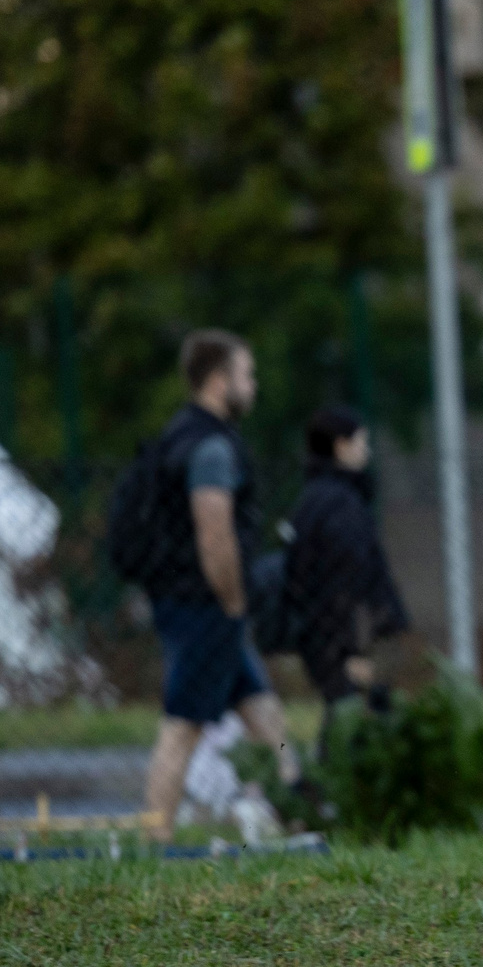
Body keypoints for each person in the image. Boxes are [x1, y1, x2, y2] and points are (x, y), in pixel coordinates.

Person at [139, 329, 302, 842]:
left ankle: (300, 812)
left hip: (199, 604)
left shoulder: (180, 435)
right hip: (205, 607)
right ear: (218, 380)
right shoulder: (209, 445)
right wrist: (232, 602)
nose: (253, 386)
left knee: (264, 712)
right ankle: (154, 840)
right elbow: (214, 531)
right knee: (183, 726)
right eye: (246, 375)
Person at [284, 406, 410, 717]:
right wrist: (348, 652)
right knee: (359, 723)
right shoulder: (342, 505)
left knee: (347, 720)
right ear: (341, 446)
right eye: (361, 442)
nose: (366, 452)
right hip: (353, 641)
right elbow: (344, 579)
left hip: (327, 639)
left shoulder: (311, 500)